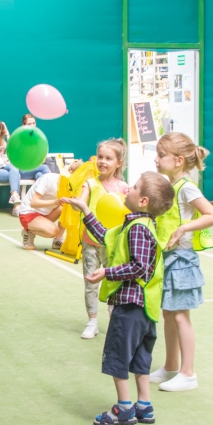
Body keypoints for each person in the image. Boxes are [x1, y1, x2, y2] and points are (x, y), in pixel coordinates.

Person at [61, 172, 175, 425]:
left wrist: (107, 272)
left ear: (143, 200)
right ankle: (143, 405)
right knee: (139, 359)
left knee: (117, 357)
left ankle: (123, 409)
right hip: (146, 309)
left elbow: (140, 267)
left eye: (134, 188)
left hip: (131, 307)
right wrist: (85, 211)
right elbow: (106, 238)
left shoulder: (137, 229)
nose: (127, 190)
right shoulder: (137, 225)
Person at [148, 133, 213, 392]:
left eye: (160, 155)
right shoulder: (169, 185)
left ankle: (188, 374)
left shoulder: (187, 187)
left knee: (180, 316)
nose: (156, 159)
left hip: (182, 260)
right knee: (168, 313)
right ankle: (170, 366)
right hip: (167, 258)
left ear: (178, 160)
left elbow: (212, 215)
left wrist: (184, 229)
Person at [78, 139, 130, 339]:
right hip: (91, 242)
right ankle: (92, 321)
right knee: (90, 282)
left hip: (113, 244)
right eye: (100, 157)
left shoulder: (124, 188)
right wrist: (76, 204)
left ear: (118, 162)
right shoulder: (90, 184)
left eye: (108, 158)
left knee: (113, 282)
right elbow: (81, 203)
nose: (103, 161)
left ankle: (114, 320)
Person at [0, 120, 49, 216]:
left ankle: (46, 196)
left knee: (42, 169)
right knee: (14, 173)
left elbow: (14, 148)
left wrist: (7, 133)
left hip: (4, 168)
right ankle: (16, 205)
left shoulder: (1, 141)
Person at [18, 172, 64, 251]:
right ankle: (28, 231)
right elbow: (34, 203)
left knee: (66, 208)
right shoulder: (48, 178)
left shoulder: (73, 185)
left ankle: (58, 240)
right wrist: (54, 202)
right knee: (53, 231)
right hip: (28, 213)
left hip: (46, 214)